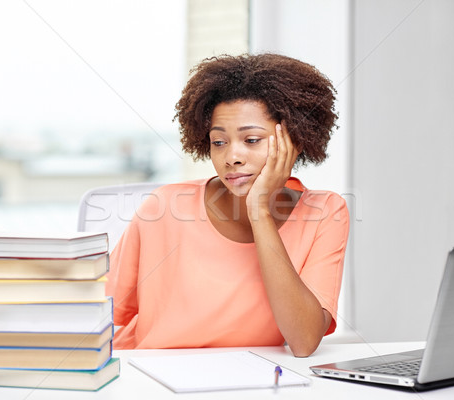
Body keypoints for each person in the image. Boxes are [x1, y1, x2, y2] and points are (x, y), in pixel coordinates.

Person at [106, 53, 349, 357]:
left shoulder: (325, 212)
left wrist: (259, 212)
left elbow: (303, 341)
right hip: (154, 377)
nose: (231, 156)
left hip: (250, 381)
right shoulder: (163, 207)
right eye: (218, 142)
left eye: (251, 140)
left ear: (294, 140)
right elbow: (105, 314)